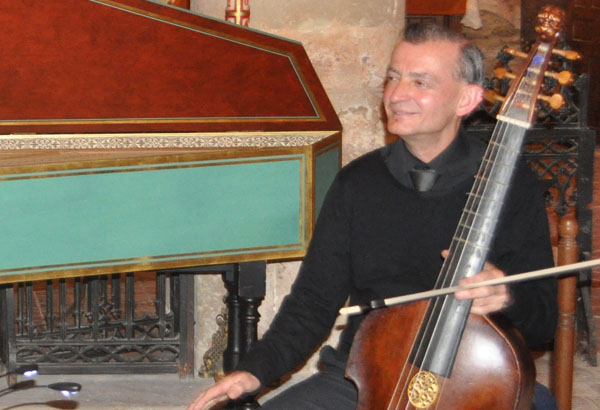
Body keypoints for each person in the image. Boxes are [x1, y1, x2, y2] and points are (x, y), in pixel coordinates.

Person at [188, 23, 558, 410]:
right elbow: (313, 302)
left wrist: (507, 296)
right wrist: (255, 371)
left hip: (478, 385)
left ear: (466, 99)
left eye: (420, 82)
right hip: (364, 376)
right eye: (393, 78)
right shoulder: (358, 182)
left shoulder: (512, 184)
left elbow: (543, 321)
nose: (397, 94)